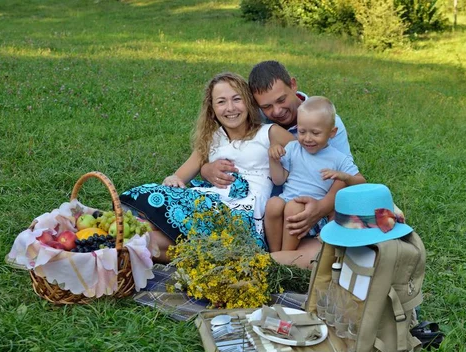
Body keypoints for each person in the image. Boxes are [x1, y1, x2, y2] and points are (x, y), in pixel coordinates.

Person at [201, 61, 366, 267]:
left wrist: (321, 208)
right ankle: (277, 257)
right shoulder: (254, 117)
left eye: (281, 100)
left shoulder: (324, 121)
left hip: (315, 199)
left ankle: (275, 261)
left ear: (293, 86)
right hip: (269, 200)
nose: (277, 111)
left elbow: (342, 177)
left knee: (341, 242)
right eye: (267, 106)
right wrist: (206, 168)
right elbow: (216, 140)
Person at [119, 72, 295, 263]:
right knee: (146, 195)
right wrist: (174, 178)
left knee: (171, 226)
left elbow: (307, 157)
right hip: (211, 199)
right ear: (212, 108)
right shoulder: (212, 138)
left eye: (237, 99)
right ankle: (131, 242)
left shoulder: (268, 133)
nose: (230, 108)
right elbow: (179, 176)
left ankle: (132, 243)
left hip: (244, 212)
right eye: (221, 102)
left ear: (249, 102)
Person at [265, 96, 365, 252]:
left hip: (314, 215)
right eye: (302, 131)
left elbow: (362, 182)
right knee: (273, 204)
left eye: (315, 133)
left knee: (293, 208)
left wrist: (344, 177)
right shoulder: (293, 148)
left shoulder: (338, 158)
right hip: (288, 199)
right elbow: (279, 180)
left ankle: (285, 256)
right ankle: (274, 251)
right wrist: (274, 159)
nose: (307, 139)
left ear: (332, 133)